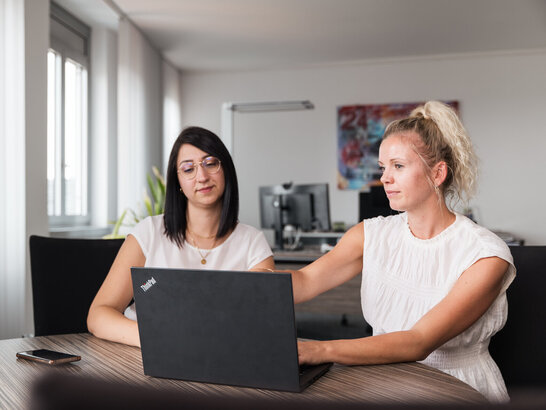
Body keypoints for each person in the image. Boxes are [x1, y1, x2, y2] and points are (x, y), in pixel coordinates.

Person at [289, 101, 515, 402]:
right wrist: (247, 283)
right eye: (383, 167)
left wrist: (320, 349)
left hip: (459, 389)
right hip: (381, 380)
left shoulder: (486, 254)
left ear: (437, 173)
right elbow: (303, 282)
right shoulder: (371, 234)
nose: (384, 178)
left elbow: (418, 342)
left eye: (398, 166)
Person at [87, 126, 274, 347]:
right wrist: (158, 338)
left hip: (217, 357)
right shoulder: (148, 233)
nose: (202, 177)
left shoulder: (252, 242)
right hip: (141, 357)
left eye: (210, 163)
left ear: (226, 170)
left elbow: (264, 323)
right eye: (188, 169)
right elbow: (99, 315)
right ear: (178, 182)